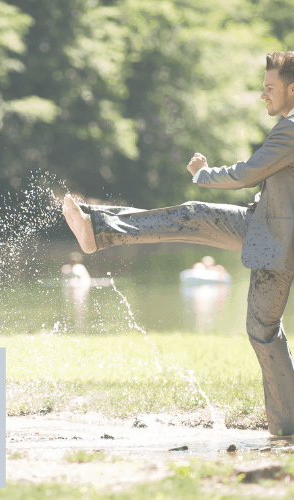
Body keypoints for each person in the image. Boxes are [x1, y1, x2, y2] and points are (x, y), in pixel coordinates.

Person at [63, 51, 294, 436]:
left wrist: (204, 173)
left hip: (275, 235)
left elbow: (249, 172)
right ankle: (286, 428)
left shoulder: (290, 129)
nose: (262, 95)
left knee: (193, 215)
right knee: (262, 329)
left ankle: (97, 229)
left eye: (270, 88)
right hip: (268, 230)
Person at [61, 252, 91, 330]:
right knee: (69, 308)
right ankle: (69, 325)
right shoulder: (66, 268)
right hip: (69, 291)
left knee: (79, 307)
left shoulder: (80, 268)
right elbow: (63, 280)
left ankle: (79, 324)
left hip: (79, 291)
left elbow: (86, 280)